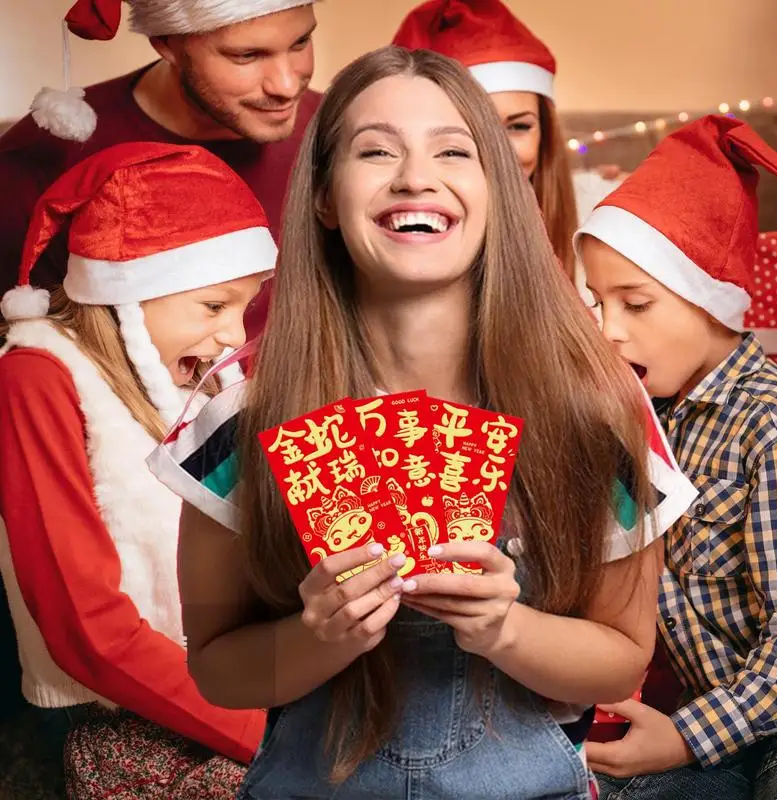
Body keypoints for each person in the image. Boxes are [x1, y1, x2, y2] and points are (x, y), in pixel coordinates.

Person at [148, 46, 698, 799]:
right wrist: (319, 636)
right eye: (375, 150)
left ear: (498, 191)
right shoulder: (244, 402)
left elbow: (621, 661)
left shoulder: (594, 403)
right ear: (322, 197)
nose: (415, 176)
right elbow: (218, 669)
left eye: (453, 151)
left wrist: (507, 629)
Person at [0, 142, 277, 796]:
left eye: (244, 306)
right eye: (213, 306)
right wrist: (267, 734)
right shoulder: (36, 378)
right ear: (127, 294)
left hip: (239, 683)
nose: (237, 336)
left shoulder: (207, 385)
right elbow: (85, 629)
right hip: (114, 716)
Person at [575, 115, 777, 800]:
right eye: (598, 303)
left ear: (710, 300)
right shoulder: (645, 416)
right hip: (710, 725)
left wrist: (687, 737)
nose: (609, 331)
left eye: (635, 303)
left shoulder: (776, 427)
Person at [0, 0, 320, 333]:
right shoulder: (44, 155)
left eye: (300, 42)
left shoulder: (344, 132)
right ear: (165, 41)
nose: (285, 85)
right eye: (247, 55)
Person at [391, 0, 622, 286]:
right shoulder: (400, 244)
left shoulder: (602, 222)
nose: (502, 153)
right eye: (474, 128)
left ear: (544, 135)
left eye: (519, 126)